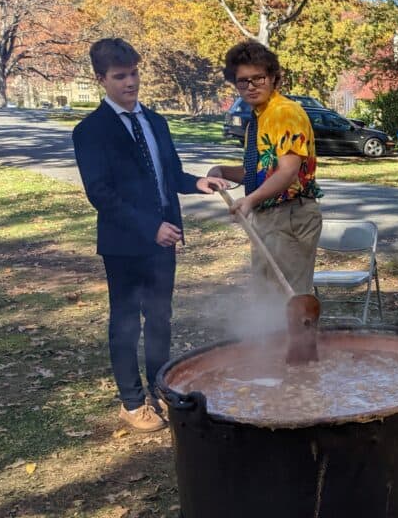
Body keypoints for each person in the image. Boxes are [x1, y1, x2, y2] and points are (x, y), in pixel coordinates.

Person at [72, 38, 228, 432]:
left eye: (134, 73)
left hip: (165, 241)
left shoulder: (155, 121)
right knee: (125, 322)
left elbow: (171, 175)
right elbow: (101, 194)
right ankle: (131, 402)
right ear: (101, 79)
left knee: (160, 317)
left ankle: (161, 387)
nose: (130, 82)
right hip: (125, 245)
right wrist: (149, 227)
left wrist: (199, 183)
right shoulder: (90, 131)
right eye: (120, 76)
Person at [207, 41, 323, 299]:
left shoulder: (285, 113)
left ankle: (296, 341)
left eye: (258, 78)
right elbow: (260, 172)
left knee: (288, 300)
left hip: (290, 215)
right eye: (242, 81)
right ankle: (269, 341)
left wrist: (249, 200)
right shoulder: (259, 118)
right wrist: (222, 171)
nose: (250, 86)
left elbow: (287, 172)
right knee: (266, 296)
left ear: (273, 78)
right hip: (267, 216)